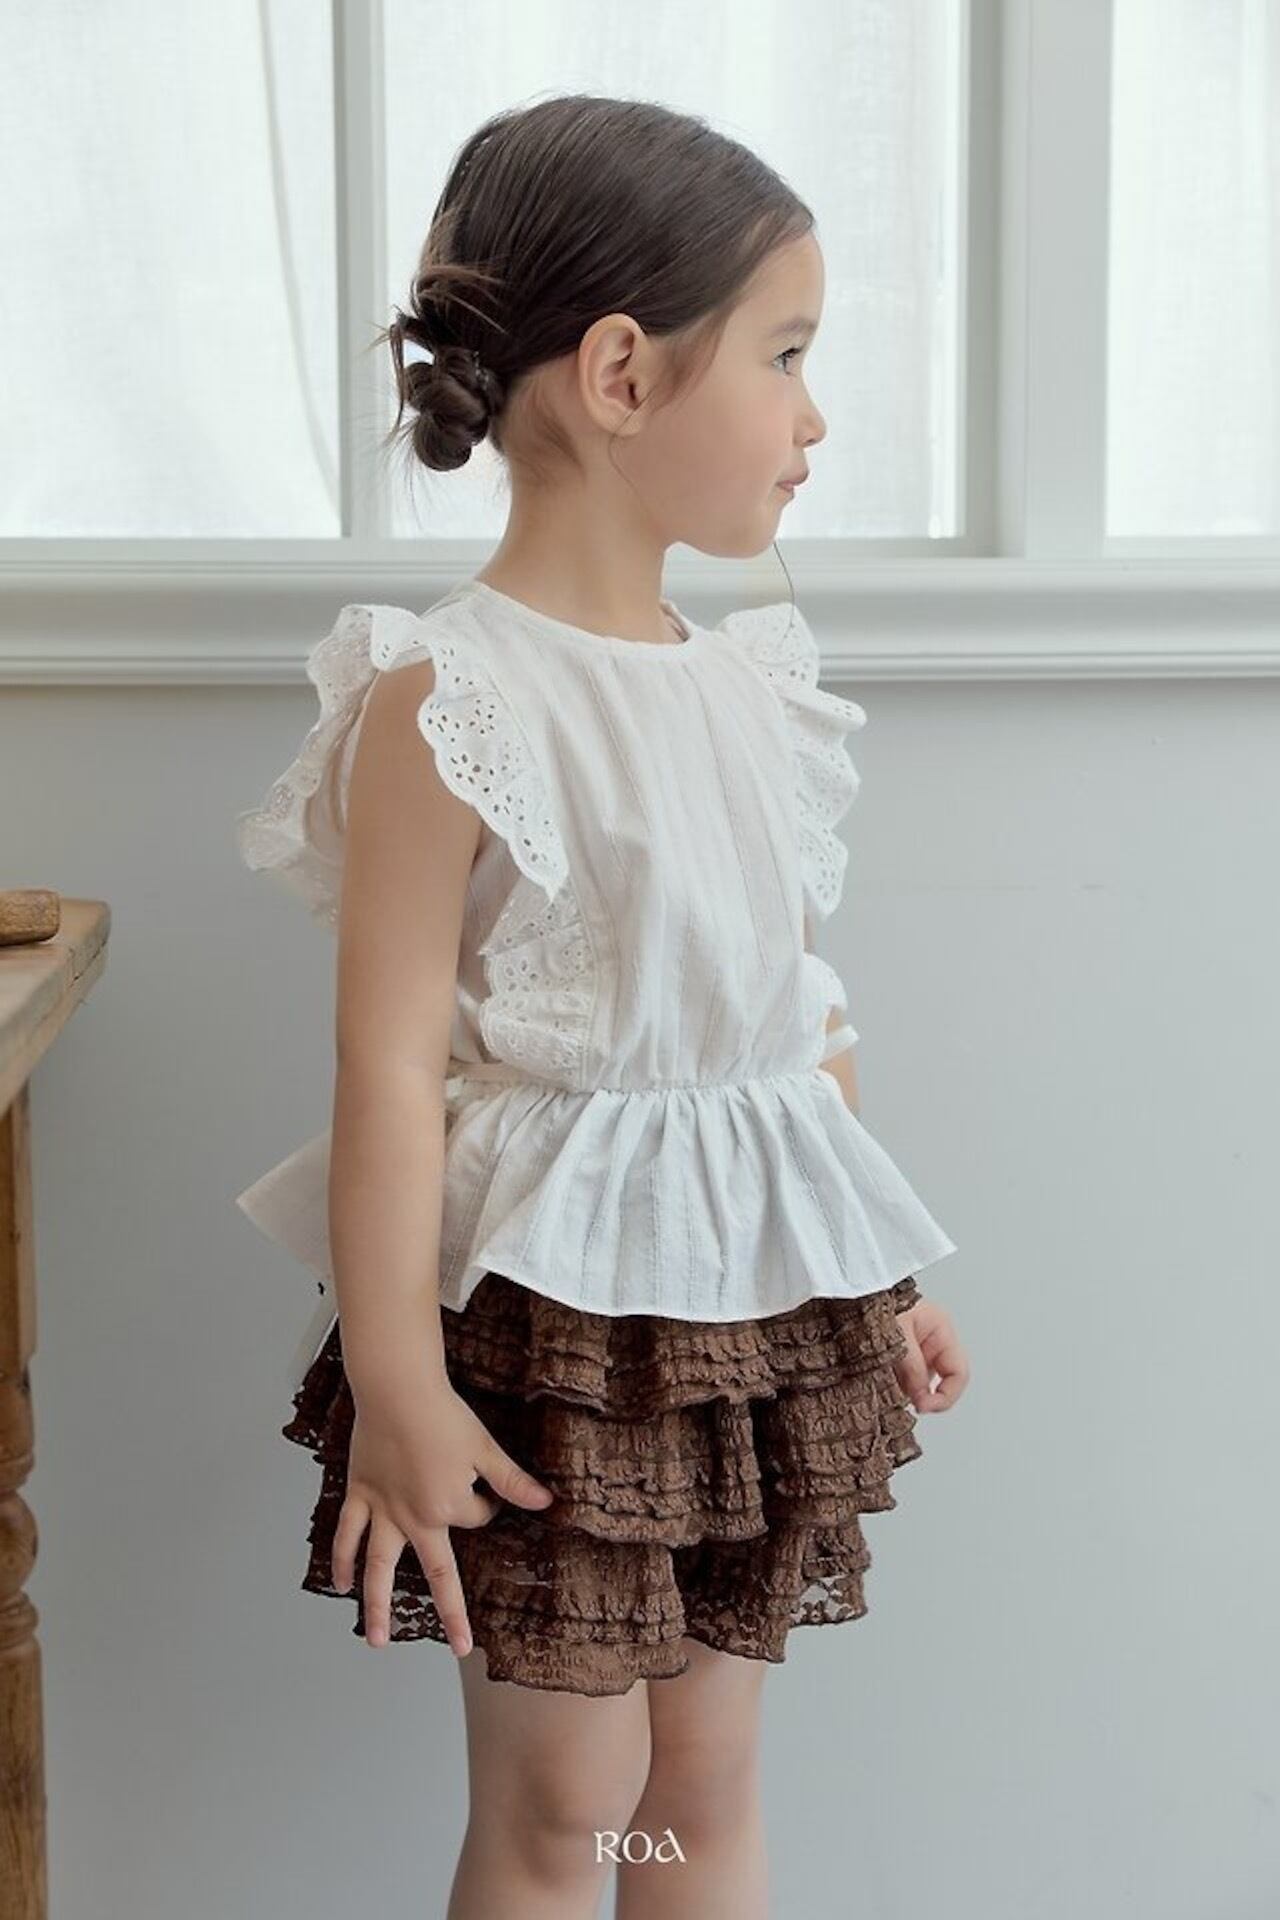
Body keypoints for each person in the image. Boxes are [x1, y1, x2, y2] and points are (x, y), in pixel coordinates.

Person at [234, 91, 970, 1920]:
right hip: (555, 1333)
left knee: (700, 1788)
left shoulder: (756, 693)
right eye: (786, 356)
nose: (815, 417)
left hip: (753, 1323)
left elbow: (790, 1022)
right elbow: (390, 1073)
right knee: (572, 1805)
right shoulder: (449, 698)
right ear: (625, 374)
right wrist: (395, 1378)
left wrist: (878, 1283)